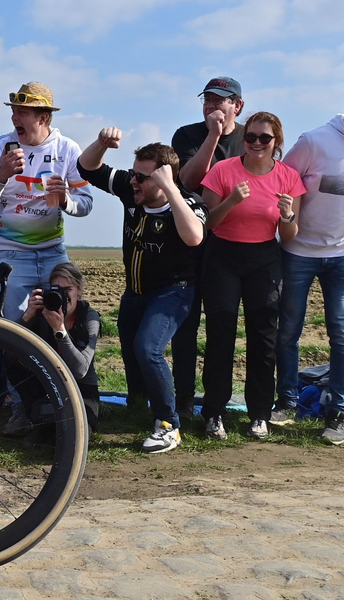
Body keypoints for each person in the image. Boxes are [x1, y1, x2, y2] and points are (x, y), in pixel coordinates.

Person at [77, 128, 207, 454]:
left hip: (173, 293)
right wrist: (103, 144)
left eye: (143, 177)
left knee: (148, 348)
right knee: (131, 348)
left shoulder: (187, 203)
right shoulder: (131, 190)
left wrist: (171, 190)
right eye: (133, 173)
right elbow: (86, 168)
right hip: (134, 292)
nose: (134, 181)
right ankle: (138, 406)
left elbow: (194, 237)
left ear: (164, 179)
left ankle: (169, 425)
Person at [200, 112, 305, 440]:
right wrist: (232, 200)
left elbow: (289, 236)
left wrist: (287, 215)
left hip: (264, 258)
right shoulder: (223, 170)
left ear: (277, 142)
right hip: (223, 258)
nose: (257, 143)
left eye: (265, 138)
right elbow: (209, 223)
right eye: (251, 137)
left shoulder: (288, 177)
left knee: (263, 338)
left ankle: (259, 413)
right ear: (243, 139)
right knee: (221, 335)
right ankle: (214, 412)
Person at [0, 81, 93, 320]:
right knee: (15, 328)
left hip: (53, 251)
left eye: (23, 113)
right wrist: (0, 176)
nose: (14, 118)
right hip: (11, 254)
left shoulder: (68, 149)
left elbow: (86, 204)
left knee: (64, 321)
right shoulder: (1, 147)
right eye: (14, 112)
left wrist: (65, 201)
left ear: (44, 118)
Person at [170, 77, 245, 418]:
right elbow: (188, 180)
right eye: (208, 101)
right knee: (185, 322)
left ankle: (215, 403)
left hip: (229, 245)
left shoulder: (251, 138)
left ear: (237, 106)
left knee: (221, 324)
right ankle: (183, 397)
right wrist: (213, 137)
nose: (212, 107)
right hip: (189, 241)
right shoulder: (186, 135)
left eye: (221, 101)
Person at [275, 115, 344, 443]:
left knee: (341, 333)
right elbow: (281, 181)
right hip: (299, 252)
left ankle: (338, 412)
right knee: (289, 330)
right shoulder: (314, 142)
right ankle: (287, 403)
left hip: (342, 256)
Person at [17, 262, 100, 434]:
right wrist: (27, 316)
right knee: (45, 429)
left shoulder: (88, 317)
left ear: (79, 290)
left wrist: (59, 330)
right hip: (47, 385)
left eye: (67, 290)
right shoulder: (43, 312)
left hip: (81, 389)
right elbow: (10, 347)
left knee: (77, 432)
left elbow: (80, 370)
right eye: (56, 289)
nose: (62, 296)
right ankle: (29, 412)